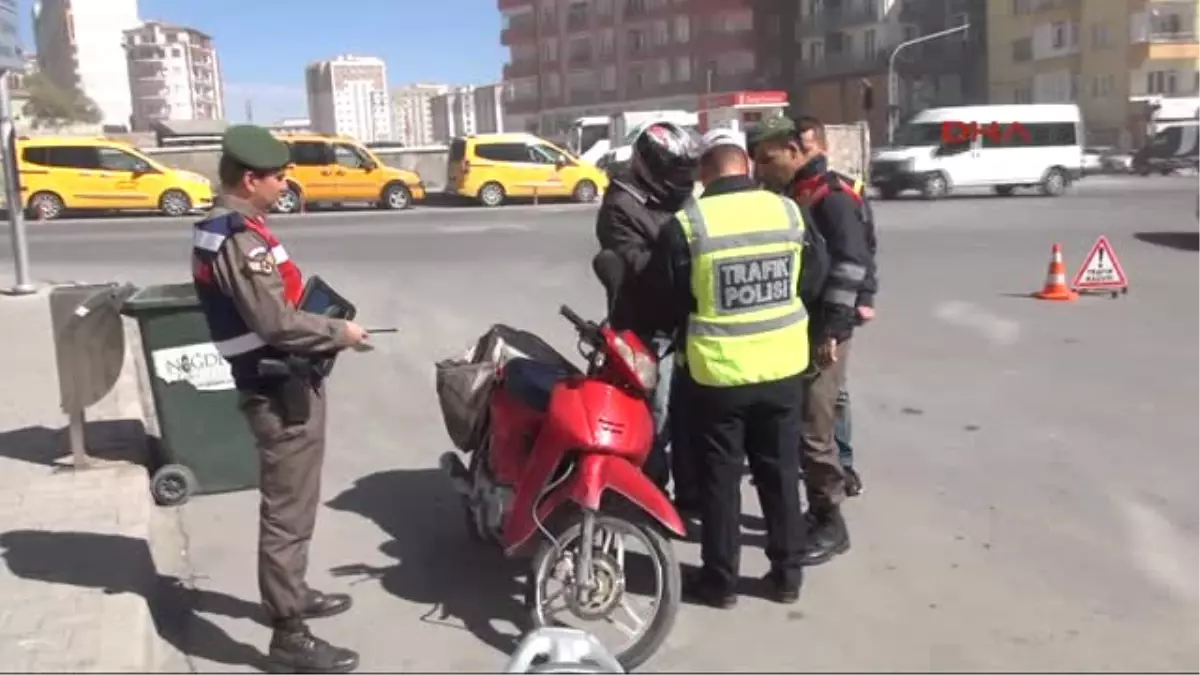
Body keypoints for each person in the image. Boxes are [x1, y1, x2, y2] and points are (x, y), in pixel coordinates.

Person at [191, 124, 368, 673]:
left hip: (283, 381)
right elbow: (276, 322)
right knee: (286, 511)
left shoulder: (235, 226)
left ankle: (293, 592)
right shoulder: (238, 237)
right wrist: (340, 333)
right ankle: (290, 634)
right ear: (250, 179)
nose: (285, 182)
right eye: (278, 175)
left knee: (296, 501)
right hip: (276, 386)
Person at [644, 128, 825, 608]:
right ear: (746, 164)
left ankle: (720, 582)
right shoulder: (789, 211)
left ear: (705, 172)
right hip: (783, 368)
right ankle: (787, 577)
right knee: (780, 473)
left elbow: (669, 298)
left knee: (720, 481)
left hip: (719, 376)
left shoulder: (688, 224)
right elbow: (814, 278)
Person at [748, 115, 877, 567]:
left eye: (768, 159)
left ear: (795, 150)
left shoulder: (832, 197)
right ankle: (817, 507)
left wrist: (834, 331)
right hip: (802, 327)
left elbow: (851, 266)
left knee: (814, 428)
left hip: (824, 330)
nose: (762, 168)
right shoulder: (794, 193)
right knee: (808, 421)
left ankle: (829, 520)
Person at [594, 120, 701, 514]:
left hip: (688, 322)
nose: (683, 179)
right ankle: (650, 494)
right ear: (650, 167)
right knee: (654, 415)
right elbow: (643, 269)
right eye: (676, 171)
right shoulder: (621, 206)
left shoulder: (682, 198)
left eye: (687, 170)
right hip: (646, 327)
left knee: (691, 414)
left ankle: (692, 495)